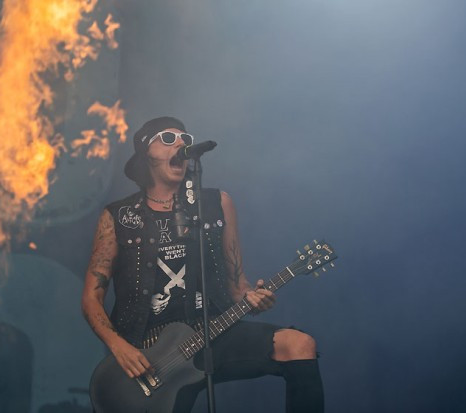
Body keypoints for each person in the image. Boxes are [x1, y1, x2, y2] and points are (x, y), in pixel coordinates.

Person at [81, 117, 324, 412]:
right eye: (167, 139)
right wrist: (119, 346)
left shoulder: (217, 203)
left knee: (299, 345)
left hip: (213, 331)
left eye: (185, 139)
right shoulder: (117, 216)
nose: (180, 144)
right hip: (150, 351)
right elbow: (91, 296)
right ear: (146, 152)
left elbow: (238, 287)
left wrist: (252, 297)